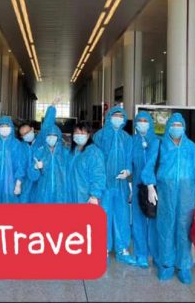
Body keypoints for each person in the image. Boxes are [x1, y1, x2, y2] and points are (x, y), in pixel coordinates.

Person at [150, 112, 195, 284]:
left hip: (186, 195)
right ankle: (166, 265)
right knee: (165, 228)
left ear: (184, 127)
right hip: (165, 194)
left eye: (179, 125)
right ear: (168, 127)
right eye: (173, 125)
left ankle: (183, 266)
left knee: (184, 230)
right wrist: (150, 185)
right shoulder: (159, 145)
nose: (176, 128)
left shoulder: (192, 148)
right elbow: (149, 166)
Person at [94, 106, 134, 264]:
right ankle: (102, 248)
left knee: (121, 216)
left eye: (121, 116)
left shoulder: (127, 138)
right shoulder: (99, 136)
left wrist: (128, 171)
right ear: (109, 117)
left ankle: (122, 249)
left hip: (121, 185)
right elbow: (94, 159)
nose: (118, 118)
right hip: (104, 184)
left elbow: (130, 158)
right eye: (115, 115)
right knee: (103, 216)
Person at [131, 111, 160, 268]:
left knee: (154, 220)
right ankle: (141, 254)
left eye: (145, 120)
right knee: (138, 220)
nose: (142, 123)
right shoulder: (133, 141)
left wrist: (150, 185)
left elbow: (153, 162)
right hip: (138, 185)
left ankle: (155, 254)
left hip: (155, 186)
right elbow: (128, 161)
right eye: (139, 120)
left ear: (150, 123)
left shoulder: (156, 141)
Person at [0, 116, 26, 203]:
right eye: (2, 126)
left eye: (7, 126)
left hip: (11, 182)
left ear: (11, 127)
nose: (4, 129)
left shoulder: (17, 144)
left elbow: (20, 165)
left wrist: (18, 183)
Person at [67, 122, 106, 204]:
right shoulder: (71, 152)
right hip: (71, 196)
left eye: (82, 133)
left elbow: (98, 175)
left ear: (88, 135)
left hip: (87, 198)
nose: (79, 135)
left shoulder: (94, 153)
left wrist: (94, 195)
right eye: (76, 133)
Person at [29, 124, 69, 203]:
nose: (51, 138)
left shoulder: (65, 153)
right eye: (49, 135)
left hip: (61, 193)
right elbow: (32, 177)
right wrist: (35, 168)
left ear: (58, 137)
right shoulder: (39, 152)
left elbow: (71, 174)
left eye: (54, 135)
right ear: (45, 137)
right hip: (43, 193)